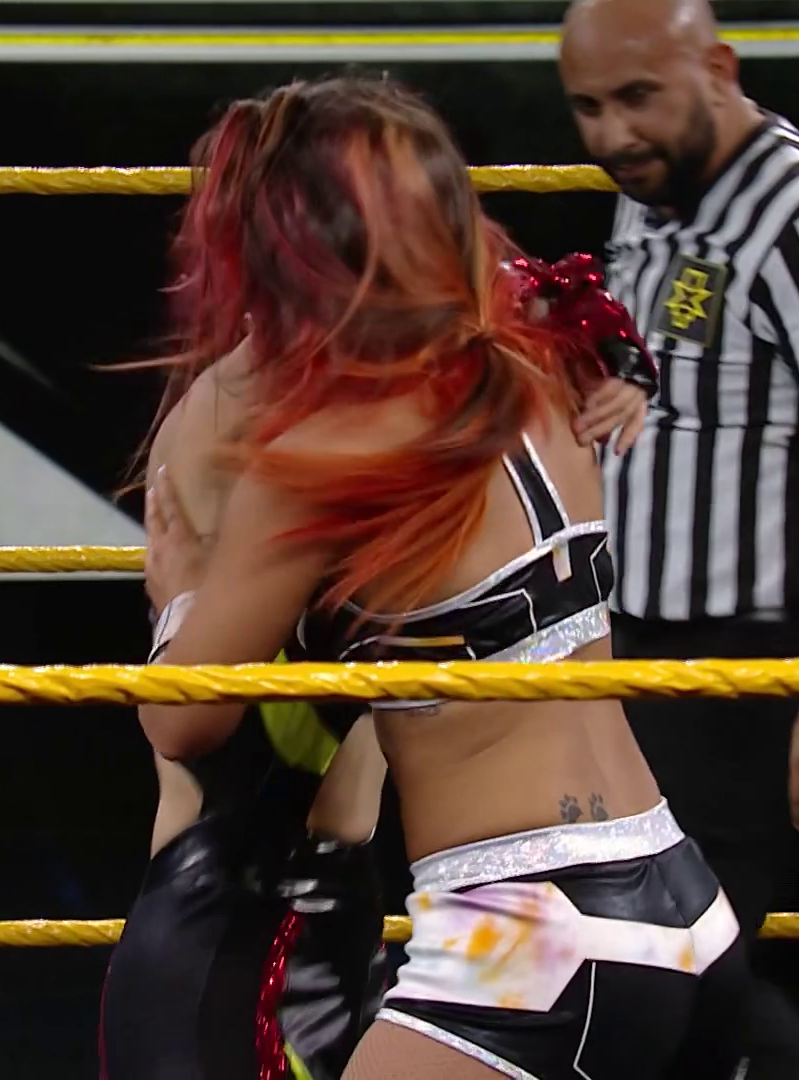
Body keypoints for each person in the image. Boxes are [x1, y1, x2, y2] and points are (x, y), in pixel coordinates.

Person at [135, 72, 751, 1080]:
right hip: (687, 902)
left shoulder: (327, 453)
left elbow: (183, 718)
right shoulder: (541, 368)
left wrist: (184, 593)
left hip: (534, 937)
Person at [557, 1, 799, 1076]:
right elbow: (668, 376)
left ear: (718, 68)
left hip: (748, 665)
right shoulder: (651, 192)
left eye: (638, 97)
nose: (614, 133)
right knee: (648, 974)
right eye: (588, 106)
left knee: (662, 969)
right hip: (636, 652)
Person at [99, 336, 394, 1080]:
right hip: (244, 923)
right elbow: (195, 728)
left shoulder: (357, 405)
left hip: (311, 921)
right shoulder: (244, 410)